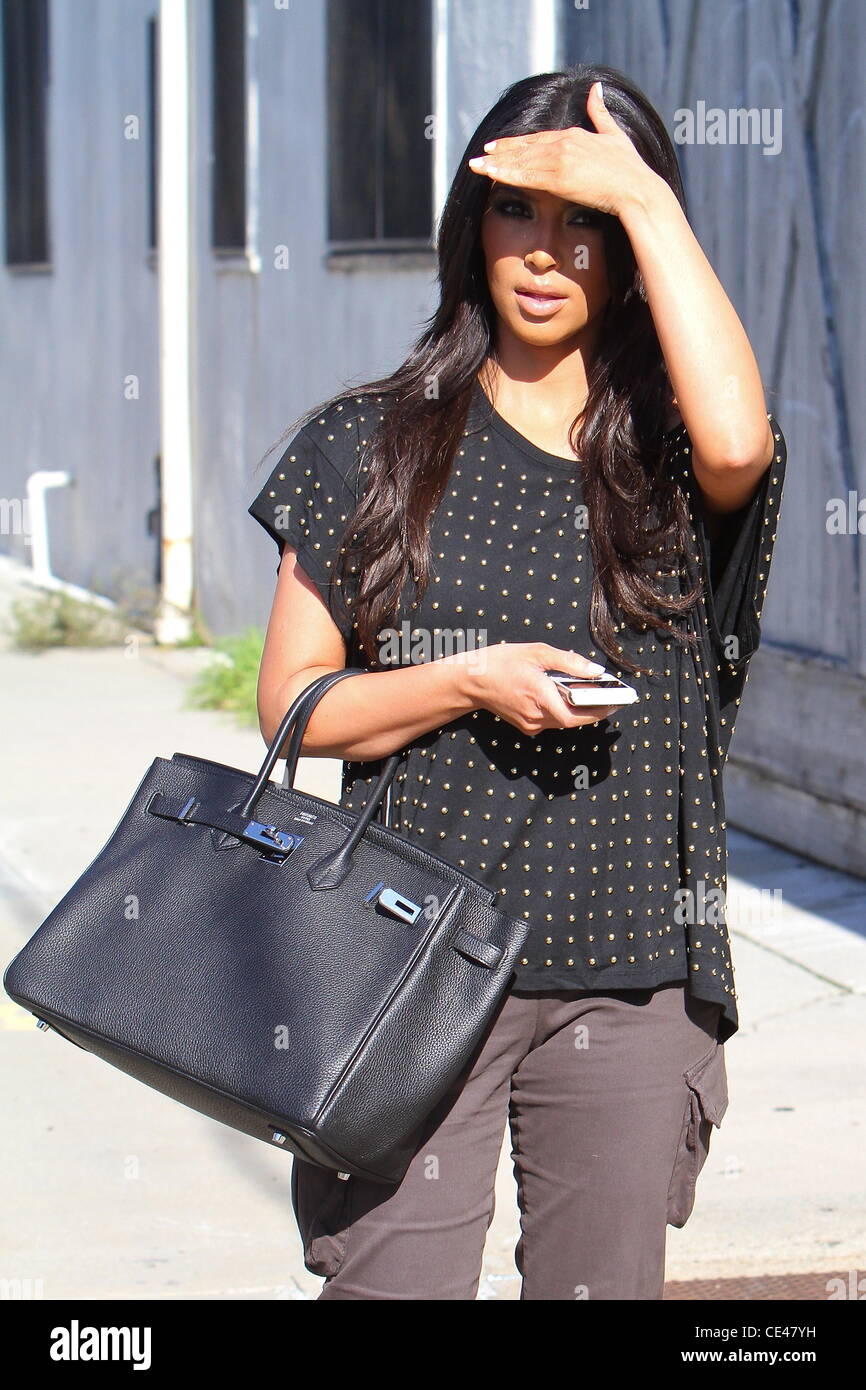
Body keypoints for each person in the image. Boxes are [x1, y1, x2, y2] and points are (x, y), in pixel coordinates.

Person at [247, 63, 787, 1301]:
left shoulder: (671, 460)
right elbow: (291, 705)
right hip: (401, 965)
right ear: (467, 227)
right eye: (516, 213)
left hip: (628, 968)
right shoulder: (367, 444)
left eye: (586, 224)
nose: (546, 255)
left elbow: (740, 443)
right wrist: (466, 683)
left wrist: (644, 200)